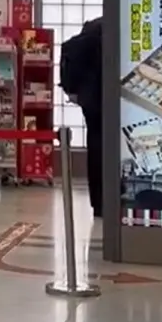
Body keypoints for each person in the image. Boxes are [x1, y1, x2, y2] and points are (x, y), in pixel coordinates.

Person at [61, 17, 105, 219]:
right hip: (107, 97)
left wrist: (74, 90)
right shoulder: (112, 28)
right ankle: (111, 199)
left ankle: (98, 202)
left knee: (95, 149)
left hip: (89, 99)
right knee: (111, 150)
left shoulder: (89, 30)